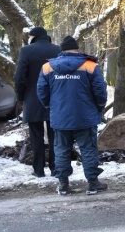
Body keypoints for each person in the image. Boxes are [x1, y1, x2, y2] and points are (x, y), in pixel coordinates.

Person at [37, 36, 108, 195]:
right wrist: (99, 107)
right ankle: (92, 183)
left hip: (61, 118)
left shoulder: (48, 67)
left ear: (61, 50)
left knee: (61, 151)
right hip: (85, 117)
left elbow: (42, 92)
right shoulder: (90, 65)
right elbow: (100, 91)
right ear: (76, 49)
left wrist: (51, 106)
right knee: (88, 150)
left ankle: (63, 185)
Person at [14, 26, 62, 177]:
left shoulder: (26, 51)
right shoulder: (58, 50)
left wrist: (21, 96)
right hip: (55, 99)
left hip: (33, 98)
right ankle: (55, 168)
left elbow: (19, 77)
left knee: (36, 135)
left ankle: (38, 169)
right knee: (55, 135)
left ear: (32, 37)